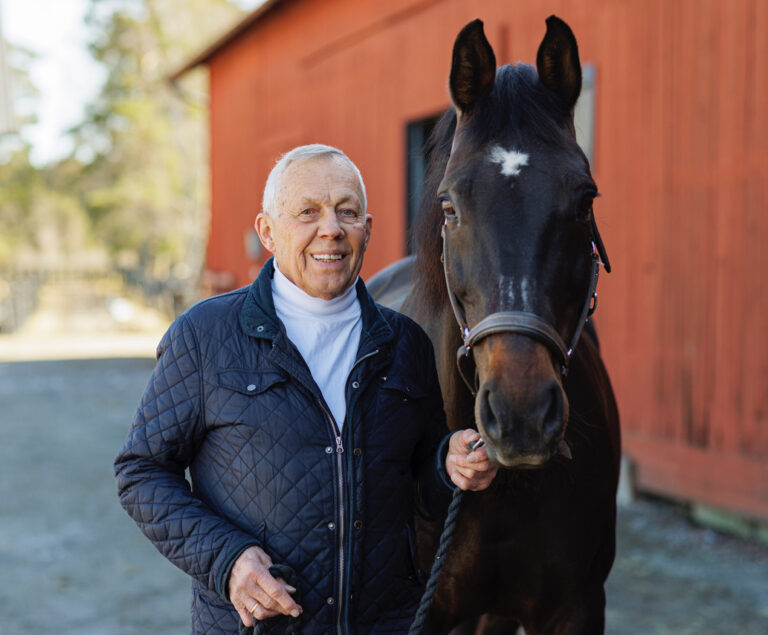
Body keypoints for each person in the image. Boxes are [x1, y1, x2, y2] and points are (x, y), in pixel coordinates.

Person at [114, 144, 497, 634]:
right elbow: (141, 471)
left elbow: (422, 479)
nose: (331, 228)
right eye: (307, 212)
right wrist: (226, 560)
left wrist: (449, 463)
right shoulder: (204, 336)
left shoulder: (406, 343)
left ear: (367, 229)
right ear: (267, 232)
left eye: (347, 212)